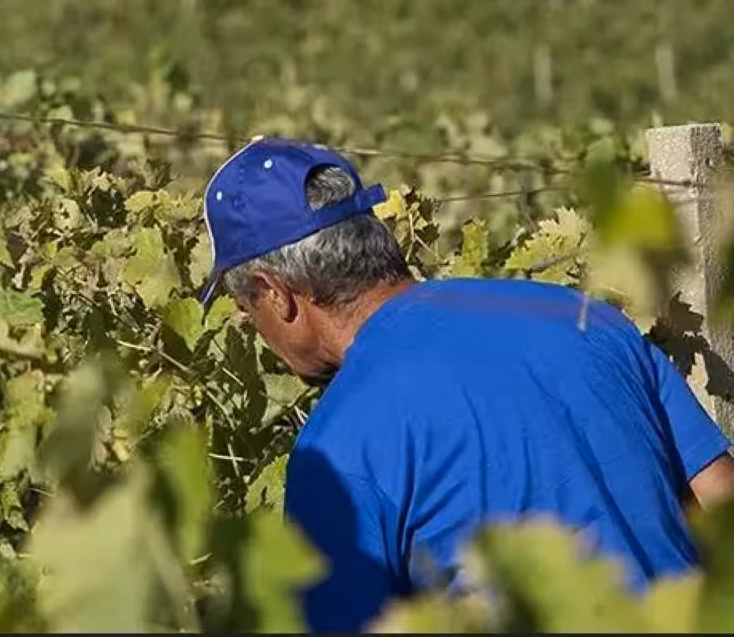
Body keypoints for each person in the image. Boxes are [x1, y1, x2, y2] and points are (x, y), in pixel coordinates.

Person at [199, 136, 734, 632]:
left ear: (276, 293)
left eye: (247, 306)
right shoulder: (582, 317)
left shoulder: (335, 451)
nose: (255, 325)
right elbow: (719, 497)